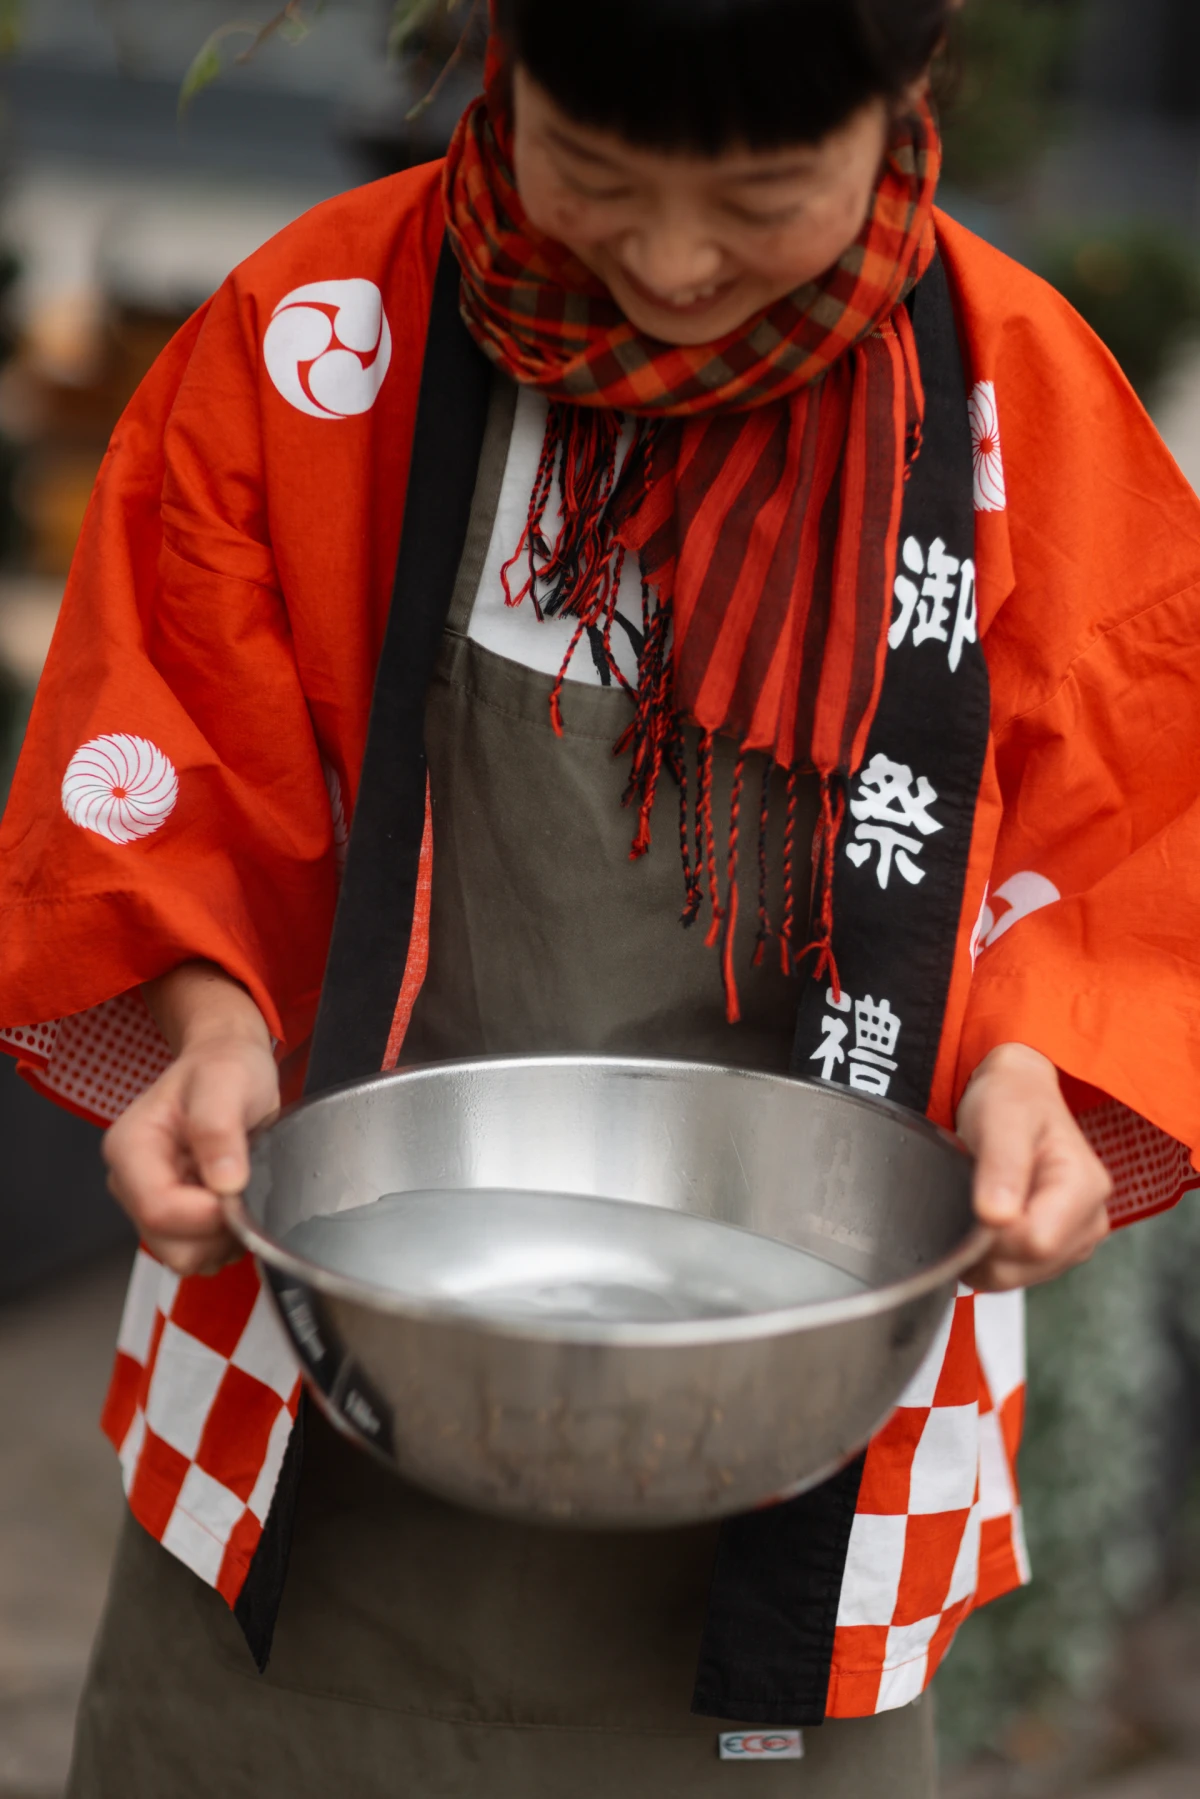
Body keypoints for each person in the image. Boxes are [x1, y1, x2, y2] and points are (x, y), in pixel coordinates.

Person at [2, 0, 1200, 1792]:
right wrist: (206, 1024)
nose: (669, 260)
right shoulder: (323, 339)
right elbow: (163, 748)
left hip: (808, 1448)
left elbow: (1127, 853)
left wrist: (1035, 1076)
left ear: (908, 96)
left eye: (762, 192)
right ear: (500, 58)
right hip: (318, 1403)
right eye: (595, 172)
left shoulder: (1019, 409)